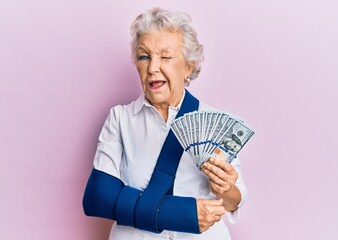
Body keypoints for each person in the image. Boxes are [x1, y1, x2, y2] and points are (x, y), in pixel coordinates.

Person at [83, 7, 247, 240]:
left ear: (188, 67)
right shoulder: (120, 119)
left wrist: (226, 188)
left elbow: (234, 201)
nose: (152, 68)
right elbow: (99, 198)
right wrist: (181, 214)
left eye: (166, 57)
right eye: (144, 56)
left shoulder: (215, 123)